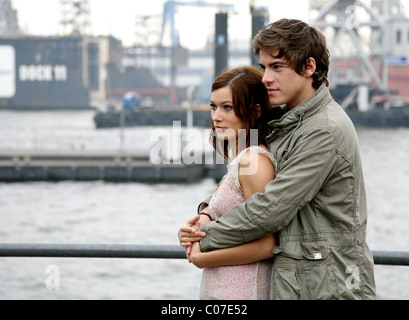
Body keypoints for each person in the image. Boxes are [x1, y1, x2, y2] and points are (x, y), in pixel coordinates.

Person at [179, 18, 376, 300]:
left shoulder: (324, 129)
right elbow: (237, 185)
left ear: (309, 67)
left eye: (277, 67)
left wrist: (204, 237)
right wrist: (206, 212)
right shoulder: (287, 123)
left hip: (330, 286)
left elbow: (271, 209)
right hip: (300, 281)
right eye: (263, 67)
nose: (266, 78)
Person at [186, 65, 279, 300]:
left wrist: (201, 257)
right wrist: (196, 227)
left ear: (256, 111)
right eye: (213, 106)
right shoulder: (241, 161)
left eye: (227, 107)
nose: (216, 116)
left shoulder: (254, 161)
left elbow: (266, 245)